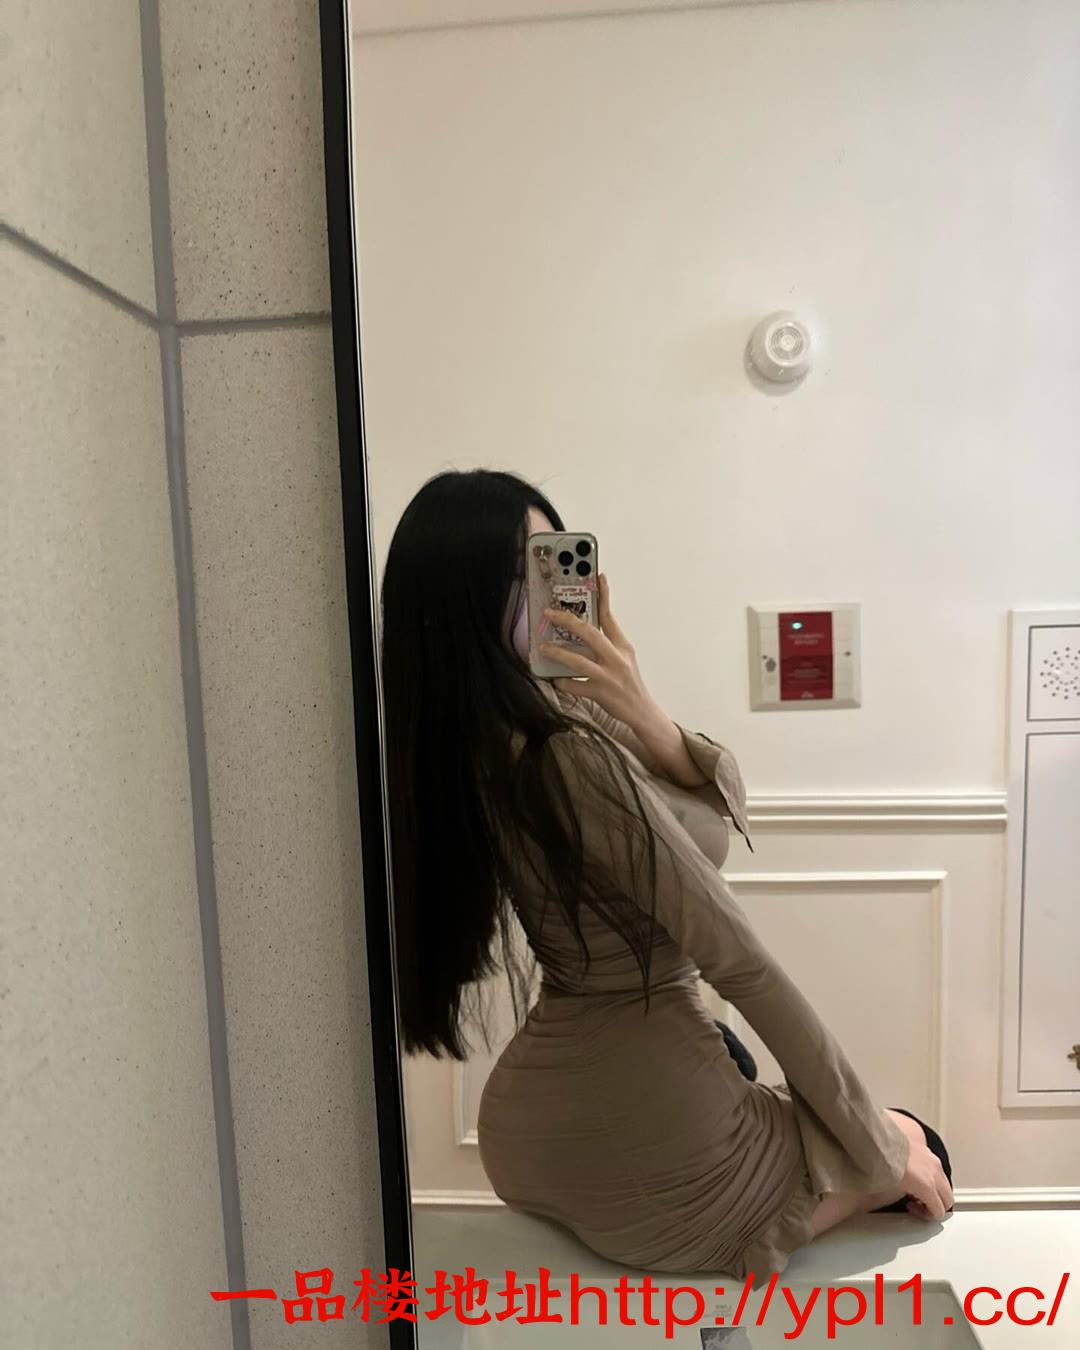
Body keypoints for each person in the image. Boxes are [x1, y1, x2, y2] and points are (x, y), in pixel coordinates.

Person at [381, 468, 954, 1285]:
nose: (552, 593)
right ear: (465, 602)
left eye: (554, 561)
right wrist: (878, 1150)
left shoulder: (502, 737)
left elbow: (720, 814)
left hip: (536, 1127)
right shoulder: (562, 752)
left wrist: (639, 701)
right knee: (920, 1143)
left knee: (760, 1072)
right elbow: (738, 959)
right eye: (522, 574)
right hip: (651, 1123)